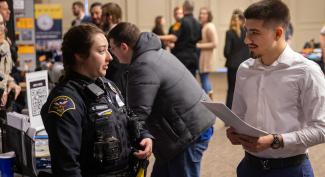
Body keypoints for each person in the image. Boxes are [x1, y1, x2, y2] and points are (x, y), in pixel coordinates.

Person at [226, 1, 325, 177]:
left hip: (291, 170)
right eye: (246, 31)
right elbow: (239, 117)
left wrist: (276, 141)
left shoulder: (306, 71)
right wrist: (235, 132)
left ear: (278, 33)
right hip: (249, 167)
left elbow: (321, 129)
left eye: (254, 33)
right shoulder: (244, 70)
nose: (246, 40)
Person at [41, 24, 153, 177]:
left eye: (108, 49)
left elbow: (127, 115)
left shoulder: (107, 85)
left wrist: (144, 135)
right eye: (101, 51)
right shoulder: (66, 100)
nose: (110, 57)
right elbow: (66, 167)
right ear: (79, 55)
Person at [107, 22, 215, 177]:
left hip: (188, 132)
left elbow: (137, 113)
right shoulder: (153, 52)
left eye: (112, 48)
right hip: (188, 123)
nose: (111, 55)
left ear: (124, 47)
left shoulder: (143, 65)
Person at [223, 9, 250, 109]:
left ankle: (229, 116)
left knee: (231, 90)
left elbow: (226, 51)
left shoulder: (229, 33)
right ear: (243, 20)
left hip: (233, 65)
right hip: (246, 64)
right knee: (245, 90)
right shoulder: (247, 32)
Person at [167, 0, 201, 76]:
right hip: (193, 56)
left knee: (180, 80)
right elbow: (199, 39)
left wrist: (158, 36)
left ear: (184, 8)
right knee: (192, 80)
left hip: (181, 58)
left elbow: (174, 37)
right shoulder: (198, 23)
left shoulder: (180, 22)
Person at [196, 7, 218, 99]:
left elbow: (215, 43)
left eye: (204, 13)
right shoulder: (203, 25)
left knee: (204, 78)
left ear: (208, 16)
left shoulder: (210, 26)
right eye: (201, 13)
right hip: (202, 56)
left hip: (207, 57)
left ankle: (207, 100)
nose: (202, 15)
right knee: (203, 78)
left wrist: (198, 45)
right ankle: (208, 97)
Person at [0, 13, 20, 109]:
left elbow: (5, 72)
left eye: (2, 23)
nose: (3, 28)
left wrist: (11, 82)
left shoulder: (5, 45)